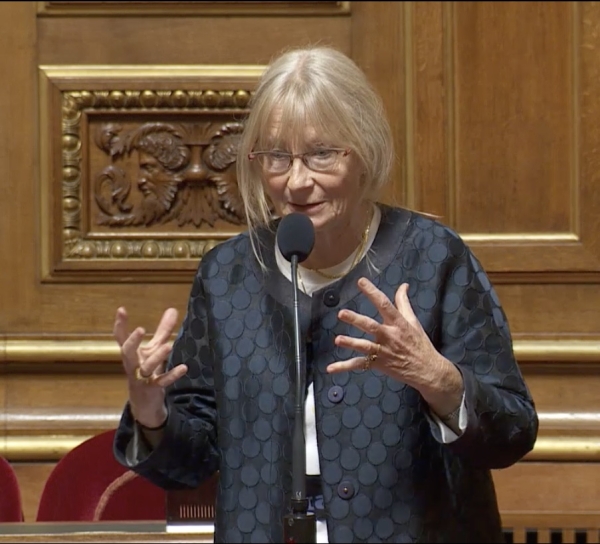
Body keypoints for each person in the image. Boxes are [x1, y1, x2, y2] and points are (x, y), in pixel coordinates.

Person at [112, 45, 538, 543]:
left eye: (321, 154)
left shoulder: (433, 259)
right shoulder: (226, 275)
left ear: (365, 152)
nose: (296, 181)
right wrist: (151, 413)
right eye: (276, 156)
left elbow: (513, 433)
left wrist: (439, 380)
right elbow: (191, 465)